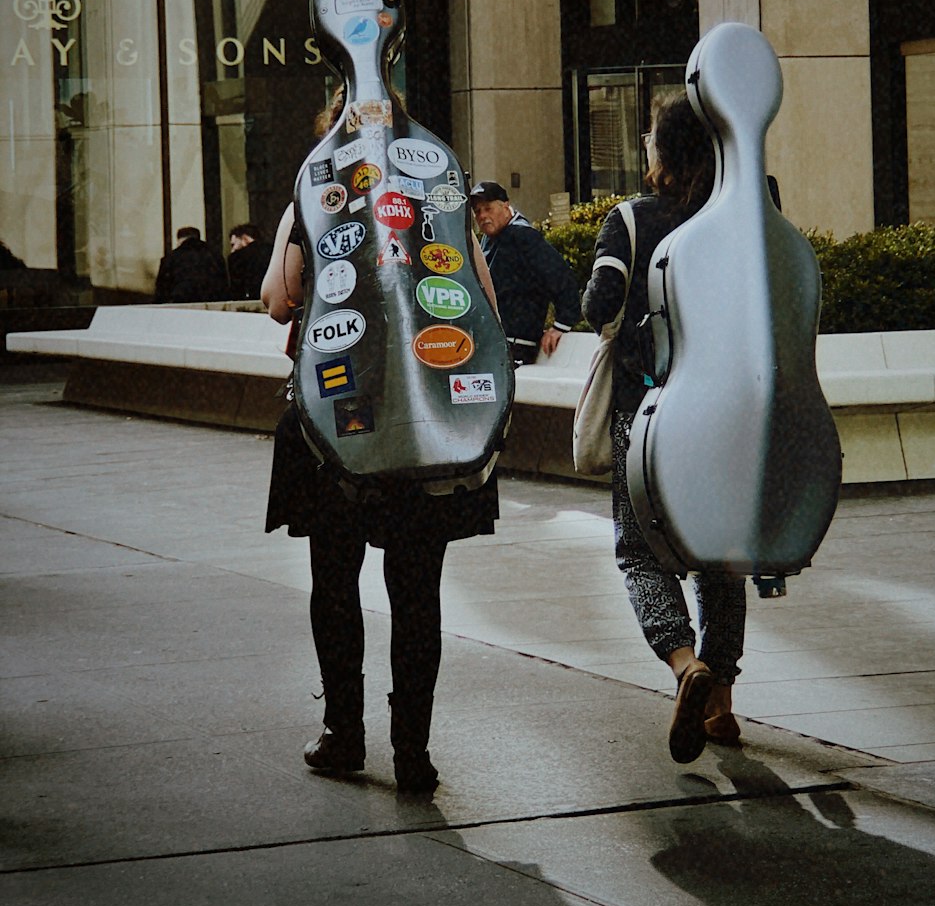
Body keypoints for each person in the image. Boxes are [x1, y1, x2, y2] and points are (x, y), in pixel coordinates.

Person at [261, 91, 501, 794]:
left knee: (335, 582)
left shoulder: (319, 193)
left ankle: (344, 733)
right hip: (423, 423)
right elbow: (483, 298)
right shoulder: (438, 199)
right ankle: (413, 751)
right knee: (416, 589)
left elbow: (280, 299)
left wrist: (296, 223)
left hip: (335, 421)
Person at [582, 92, 746, 765]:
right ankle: (723, 702)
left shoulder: (630, 218)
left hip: (644, 414)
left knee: (639, 548)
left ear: (662, 151)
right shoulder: (737, 216)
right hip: (726, 410)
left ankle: (685, 666)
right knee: (721, 554)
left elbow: (599, 304)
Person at [469, 180, 581, 364]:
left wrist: (562, 325)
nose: (482, 216)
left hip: (516, 345)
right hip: (496, 340)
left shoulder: (523, 236)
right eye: (477, 211)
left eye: (488, 208)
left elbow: (561, 277)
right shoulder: (490, 239)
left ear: (505, 206)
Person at [153, 226, 229, 303]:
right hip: (212, 304)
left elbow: (162, 291)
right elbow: (224, 284)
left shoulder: (170, 258)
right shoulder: (215, 255)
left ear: (180, 240)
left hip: (181, 303)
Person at [227, 222, 273, 301]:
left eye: (233, 244)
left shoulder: (237, 257)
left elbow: (237, 288)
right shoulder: (273, 250)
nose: (232, 249)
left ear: (244, 238)